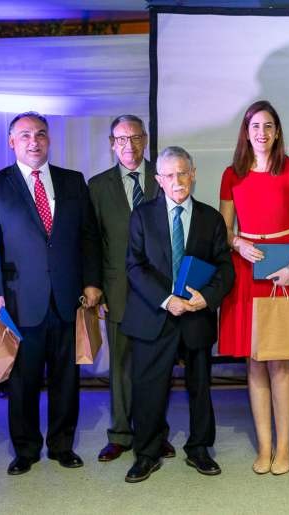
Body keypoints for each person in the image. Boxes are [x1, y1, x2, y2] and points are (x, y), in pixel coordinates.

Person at [0, 112, 103, 475]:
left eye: (41, 134)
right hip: (18, 299)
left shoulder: (73, 181)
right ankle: (26, 450)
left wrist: (92, 282)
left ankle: (63, 446)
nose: (35, 141)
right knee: (23, 381)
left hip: (68, 297)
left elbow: (89, 237)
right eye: (26, 135)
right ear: (11, 141)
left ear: (49, 140)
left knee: (67, 377)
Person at [218, 100, 289, 475]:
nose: (261, 133)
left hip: (286, 272)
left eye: (268, 126)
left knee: (281, 363)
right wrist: (237, 244)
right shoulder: (232, 174)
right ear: (246, 132)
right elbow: (224, 229)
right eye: (254, 127)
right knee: (254, 363)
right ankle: (263, 447)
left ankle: (284, 448)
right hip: (247, 272)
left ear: (277, 131)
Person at [120, 146, 234, 483]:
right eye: (169, 175)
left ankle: (199, 449)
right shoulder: (142, 215)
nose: (177, 180)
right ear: (158, 180)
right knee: (148, 388)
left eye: (183, 172)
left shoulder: (211, 217)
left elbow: (225, 269)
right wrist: (166, 299)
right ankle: (147, 453)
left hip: (196, 316)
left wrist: (206, 298)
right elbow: (134, 266)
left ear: (194, 173)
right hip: (154, 315)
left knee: (200, 387)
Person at [88, 114, 176, 463]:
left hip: (161, 291)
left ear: (146, 140)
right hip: (118, 290)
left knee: (158, 365)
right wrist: (96, 289)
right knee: (121, 367)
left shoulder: (165, 176)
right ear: (112, 143)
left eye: (136, 137)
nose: (129, 145)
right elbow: (92, 241)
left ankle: (155, 432)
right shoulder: (97, 186)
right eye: (121, 139)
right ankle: (121, 434)